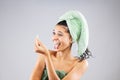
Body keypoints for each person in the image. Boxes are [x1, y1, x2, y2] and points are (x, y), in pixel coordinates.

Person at [30, 10, 92, 80]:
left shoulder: (81, 64)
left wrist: (47, 57)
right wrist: (46, 55)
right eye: (54, 33)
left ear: (71, 39)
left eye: (60, 34)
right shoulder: (43, 55)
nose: (54, 38)